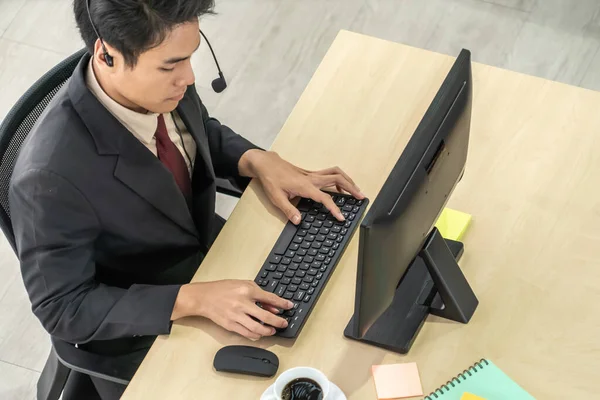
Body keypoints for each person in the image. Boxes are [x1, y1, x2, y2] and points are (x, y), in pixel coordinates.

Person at [9, 0, 364, 398]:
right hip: (148, 327)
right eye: (170, 66)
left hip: (213, 261)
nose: (188, 78)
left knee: (335, 319)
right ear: (106, 55)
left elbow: (196, 135)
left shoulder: (162, 90)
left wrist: (256, 160)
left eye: (191, 58)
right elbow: (64, 308)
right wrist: (193, 298)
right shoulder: (48, 177)